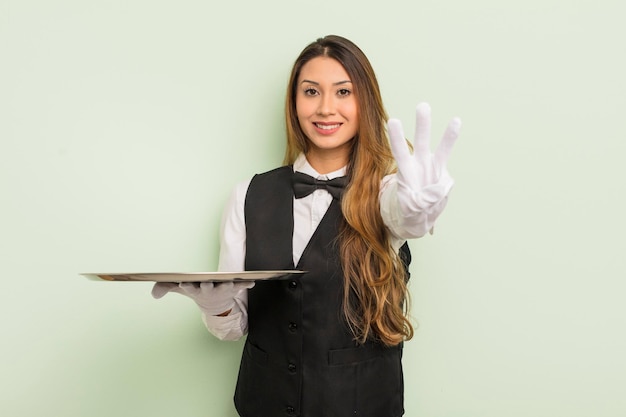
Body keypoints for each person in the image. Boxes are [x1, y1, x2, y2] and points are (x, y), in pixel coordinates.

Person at [152, 35, 461, 417]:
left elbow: (405, 218)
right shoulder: (248, 194)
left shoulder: (388, 192)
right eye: (311, 91)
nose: (326, 108)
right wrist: (216, 307)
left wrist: (419, 208)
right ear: (294, 103)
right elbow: (233, 329)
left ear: (364, 100)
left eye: (343, 91)